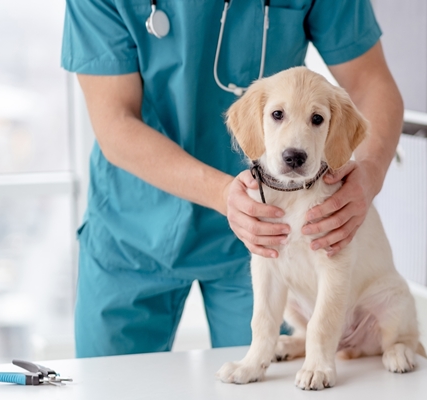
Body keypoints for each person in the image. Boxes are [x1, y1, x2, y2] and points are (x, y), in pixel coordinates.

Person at [61, 0, 404, 358]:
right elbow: (115, 122)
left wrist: (370, 173)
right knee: (112, 386)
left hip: (272, 238)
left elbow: (370, 83)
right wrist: (224, 192)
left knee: (265, 378)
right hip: (134, 230)